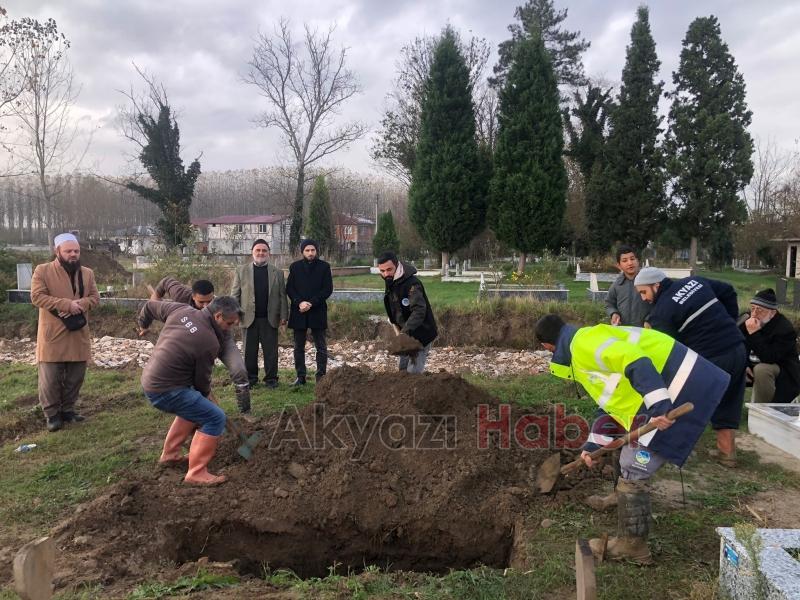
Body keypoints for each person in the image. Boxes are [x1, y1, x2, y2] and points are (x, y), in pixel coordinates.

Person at [536, 314, 729, 563]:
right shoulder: (583, 342)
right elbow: (612, 403)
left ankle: (632, 546)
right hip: (675, 380)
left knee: (632, 464)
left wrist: (659, 405)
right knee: (623, 443)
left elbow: (635, 359)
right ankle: (622, 496)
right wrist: (593, 445)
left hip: (679, 384)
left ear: (547, 346)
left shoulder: (582, 346)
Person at [635, 267, 747, 467]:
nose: (643, 298)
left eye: (644, 292)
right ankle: (727, 453)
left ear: (656, 285)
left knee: (685, 403)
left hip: (712, 358)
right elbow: (729, 291)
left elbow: (669, 351)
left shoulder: (661, 313)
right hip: (737, 348)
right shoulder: (695, 282)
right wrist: (729, 321)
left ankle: (672, 450)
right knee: (730, 400)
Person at [138, 296, 243, 485]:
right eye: (229, 324)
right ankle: (196, 473)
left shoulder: (181, 310)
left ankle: (170, 455)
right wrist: (207, 397)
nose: (230, 328)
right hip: (167, 390)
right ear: (218, 316)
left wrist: (143, 325)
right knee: (215, 417)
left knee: (195, 408)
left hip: (151, 380)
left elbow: (150, 306)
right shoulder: (208, 341)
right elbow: (201, 383)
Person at [145, 277, 253, 415]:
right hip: (194, 342)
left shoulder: (220, 309)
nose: (206, 306)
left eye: (209, 301)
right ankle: (197, 408)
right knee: (191, 380)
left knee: (239, 370)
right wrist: (156, 296)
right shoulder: (181, 295)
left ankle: (245, 411)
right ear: (193, 296)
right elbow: (166, 282)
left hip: (221, 339)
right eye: (201, 302)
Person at [30, 233, 100, 432]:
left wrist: (82, 304)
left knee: (75, 377)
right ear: (57, 251)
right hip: (53, 334)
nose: (73, 254)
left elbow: (95, 298)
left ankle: (68, 410)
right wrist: (66, 304)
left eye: (76, 251)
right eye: (68, 251)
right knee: (50, 379)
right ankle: (52, 415)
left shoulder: (87, 273)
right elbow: (37, 297)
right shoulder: (42, 270)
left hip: (78, 333)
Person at [231, 240, 288, 389]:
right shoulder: (241, 271)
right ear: (252, 252)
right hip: (248, 318)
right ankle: (251, 378)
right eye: (258, 250)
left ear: (269, 253)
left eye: (264, 250)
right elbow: (235, 295)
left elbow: (282, 296)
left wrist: (284, 316)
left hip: (270, 319)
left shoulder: (277, 273)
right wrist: (234, 315)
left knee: (271, 352)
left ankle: (271, 379)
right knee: (249, 352)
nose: (261, 253)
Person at [377, 251, 437, 374]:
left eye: (389, 269)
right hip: (405, 335)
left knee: (413, 373)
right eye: (382, 271)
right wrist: (393, 321)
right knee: (402, 370)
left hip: (421, 334)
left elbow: (419, 311)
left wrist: (404, 333)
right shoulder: (391, 280)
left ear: (396, 265)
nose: (386, 274)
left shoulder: (412, 284)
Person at [739, 288, 800, 403]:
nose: (754, 314)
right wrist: (744, 364)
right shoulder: (747, 319)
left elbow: (769, 357)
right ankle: (724, 410)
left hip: (781, 370)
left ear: (772, 313)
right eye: (753, 308)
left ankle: (763, 409)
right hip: (751, 365)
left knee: (762, 370)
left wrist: (754, 333)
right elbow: (737, 344)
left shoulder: (784, 329)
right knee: (729, 363)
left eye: (760, 310)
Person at [286, 239, 333, 386]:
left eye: (313, 250)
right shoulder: (295, 267)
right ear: (302, 252)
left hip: (317, 310)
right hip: (299, 310)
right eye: (307, 250)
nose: (310, 253)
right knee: (298, 346)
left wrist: (311, 303)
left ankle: (321, 377)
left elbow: (327, 289)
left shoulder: (324, 267)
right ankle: (301, 377)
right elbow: (290, 288)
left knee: (321, 346)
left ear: (316, 251)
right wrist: (299, 302)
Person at [605, 245, 651, 326]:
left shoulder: (649, 282)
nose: (630, 263)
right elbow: (609, 304)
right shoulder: (616, 285)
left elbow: (659, 304)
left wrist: (649, 319)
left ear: (638, 261)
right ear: (619, 265)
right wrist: (614, 313)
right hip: (623, 330)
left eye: (632, 259)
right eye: (625, 260)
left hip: (646, 330)